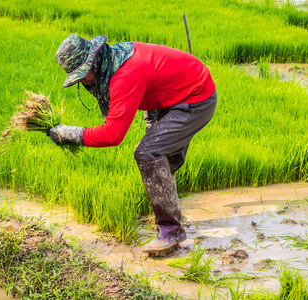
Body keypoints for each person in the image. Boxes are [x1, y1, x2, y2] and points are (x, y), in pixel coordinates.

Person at [49, 33, 217, 255]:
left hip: (195, 96)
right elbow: (152, 77)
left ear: (93, 61)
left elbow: (112, 135)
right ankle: (170, 216)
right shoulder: (111, 61)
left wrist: (69, 133)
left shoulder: (124, 74)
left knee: (148, 152)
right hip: (169, 94)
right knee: (161, 159)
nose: (83, 81)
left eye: (82, 75)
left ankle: (171, 230)